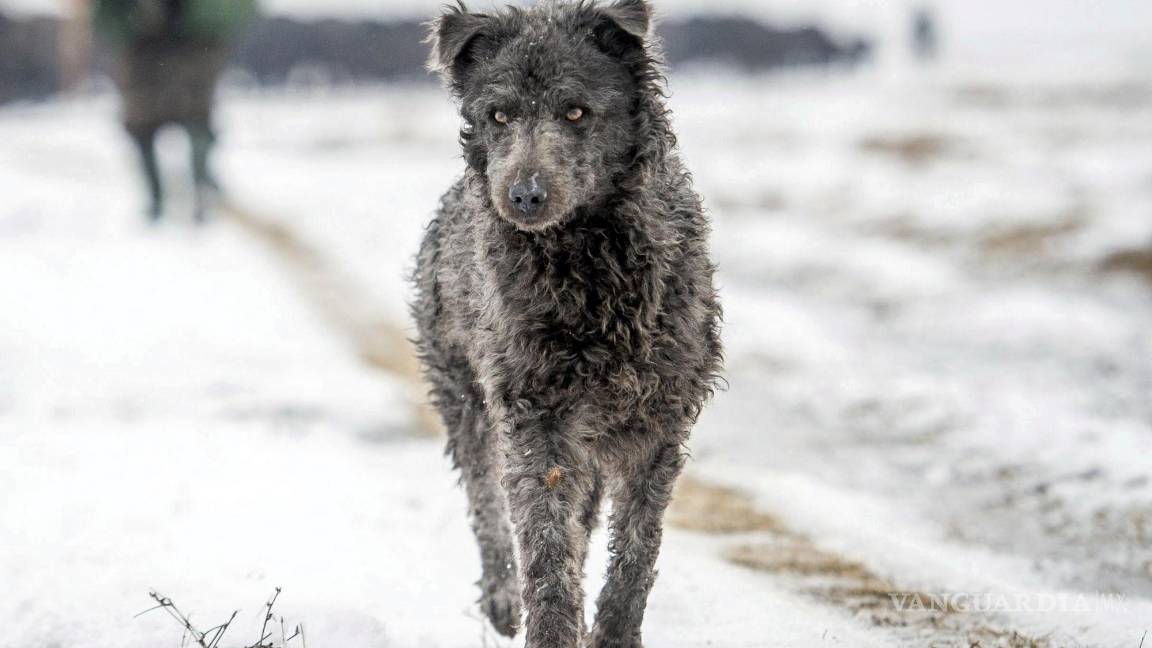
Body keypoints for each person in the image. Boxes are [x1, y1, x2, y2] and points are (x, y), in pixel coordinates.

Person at [93, 0, 256, 223]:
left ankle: (199, 189)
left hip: (192, 47)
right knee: (145, 127)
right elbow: (106, 17)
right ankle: (161, 200)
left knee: (196, 123)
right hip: (145, 52)